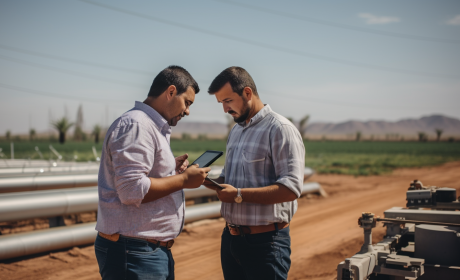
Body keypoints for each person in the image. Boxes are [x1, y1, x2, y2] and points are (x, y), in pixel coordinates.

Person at [94, 65, 211, 280]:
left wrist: (169, 171)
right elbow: (131, 190)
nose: (187, 111)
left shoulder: (150, 126)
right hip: (134, 251)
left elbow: (140, 176)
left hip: (143, 250)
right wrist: (183, 180)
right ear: (171, 92)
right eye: (187, 102)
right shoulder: (136, 125)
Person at [205, 66, 305, 280]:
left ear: (247, 93)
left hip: (267, 244)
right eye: (221, 103)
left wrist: (239, 194)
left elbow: (291, 189)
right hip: (231, 240)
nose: (225, 109)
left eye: (228, 101)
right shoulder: (237, 130)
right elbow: (228, 180)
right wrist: (204, 179)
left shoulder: (280, 129)